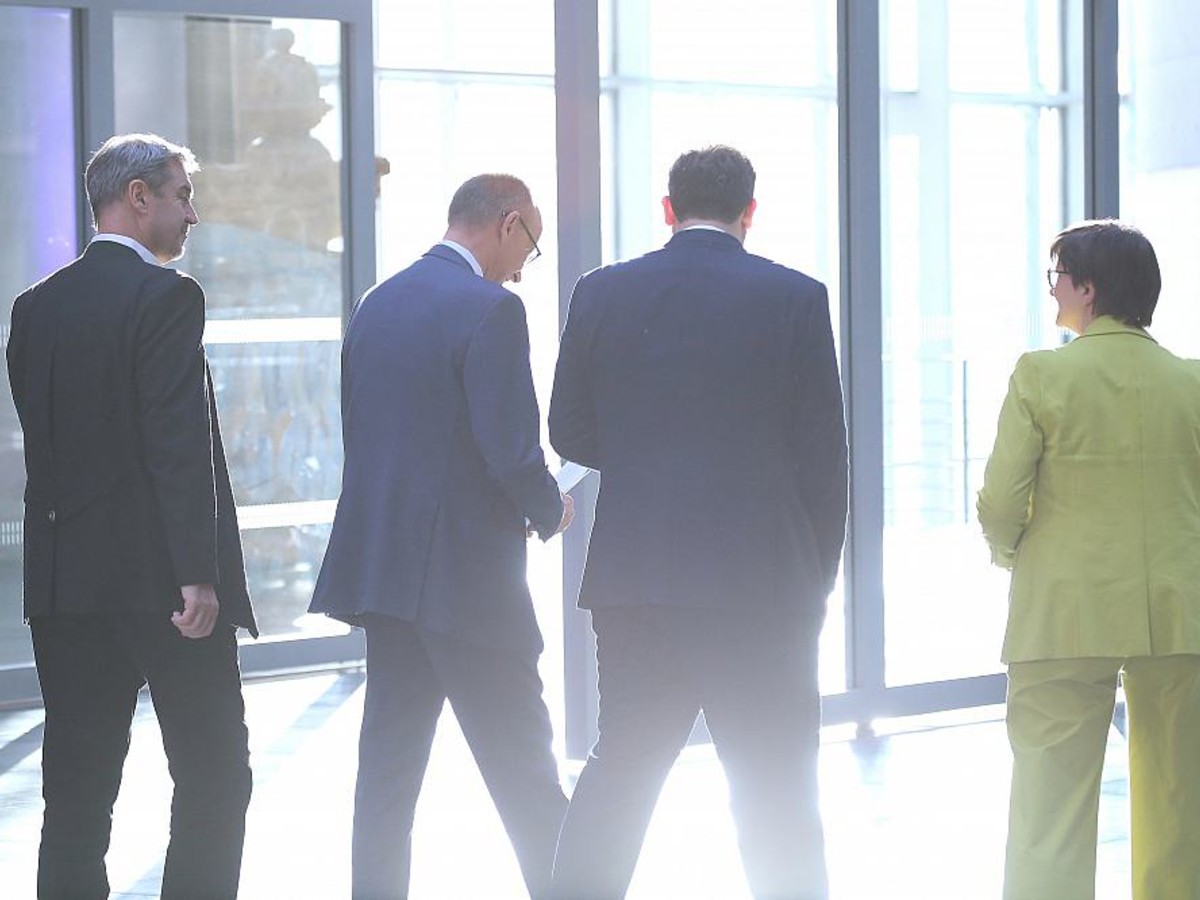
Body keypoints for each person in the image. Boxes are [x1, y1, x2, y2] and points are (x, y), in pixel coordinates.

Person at [548, 145, 847, 900]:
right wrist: (816, 581)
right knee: (776, 783)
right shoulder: (795, 297)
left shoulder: (601, 292)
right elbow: (824, 460)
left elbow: (568, 431)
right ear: (750, 212)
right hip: (764, 587)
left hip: (636, 579)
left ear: (668, 210)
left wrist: (644, 453)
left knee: (622, 769)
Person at [309, 174, 574, 900]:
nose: (523, 268)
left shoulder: (377, 302)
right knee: (525, 771)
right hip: (468, 584)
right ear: (509, 223)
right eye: (530, 247)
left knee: (386, 778)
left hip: (388, 578)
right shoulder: (492, 309)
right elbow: (511, 451)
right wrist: (549, 508)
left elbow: (367, 433)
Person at [6, 133, 256, 899]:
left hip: (65, 586)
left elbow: (49, 445)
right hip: (162, 585)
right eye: (182, 195)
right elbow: (175, 443)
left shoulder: (34, 307)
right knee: (215, 775)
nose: (192, 214)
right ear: (137, 197)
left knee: (76, 795)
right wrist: (197, 573)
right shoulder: (168, 297)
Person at [978, 220, 1200, 899]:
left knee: (1049, 808)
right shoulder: (1191, 382)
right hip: (1180, 614)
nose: (1052, 291)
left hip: (1063, 616)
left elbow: (1001, 501)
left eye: (1058, 277)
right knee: (1180, 805)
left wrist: (1012, 555)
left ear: (1089, 288)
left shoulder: (1042, 374)